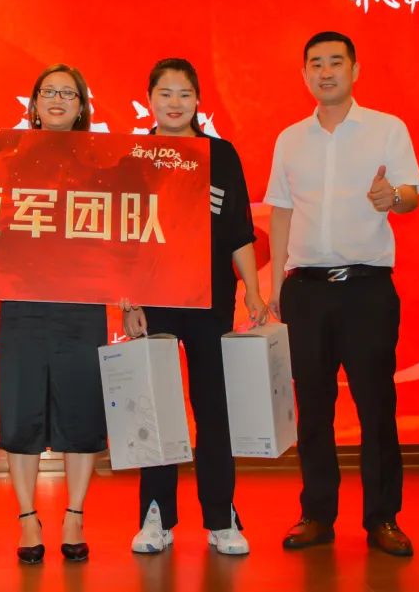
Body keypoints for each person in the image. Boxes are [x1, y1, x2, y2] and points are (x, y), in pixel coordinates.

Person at [265, 31, 419, 558]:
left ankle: (383, 517)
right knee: (313, 409)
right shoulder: (290, 139)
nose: (326, 71)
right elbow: (281, 211)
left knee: (376, 406)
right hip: (305, 290)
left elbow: (411, 195)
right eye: (316, 63)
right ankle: (316, 514)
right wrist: (275, 286)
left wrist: (391, 196)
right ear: (304, 74)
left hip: (367, 290)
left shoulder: (386, 128)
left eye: (336, 62)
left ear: (355, 69)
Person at [122, 57, 265, 556]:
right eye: (165, 93)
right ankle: (155, 516)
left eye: (184, 93)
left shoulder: (220, 154)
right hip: (153, 300)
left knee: (213, 409)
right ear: (149, 99)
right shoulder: (134, 155)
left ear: (198, 100)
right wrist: (126, 300)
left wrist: (252, 289)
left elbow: (239, 230)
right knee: (155, 409)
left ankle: (221, 515)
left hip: (210, 300)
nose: (175, 103)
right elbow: (122, 236)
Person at [0, 64, 108, 564]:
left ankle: (75, 514)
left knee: (81, 411)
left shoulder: (102, 162)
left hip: (81, 303)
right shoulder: (8, 160)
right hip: (22, 302)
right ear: (34, 104)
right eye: (49, 92)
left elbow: (119, 234)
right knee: (21, 412)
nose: (58, 99)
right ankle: (27, 518)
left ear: (82, 106)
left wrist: (130, 293)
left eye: (69, 93)